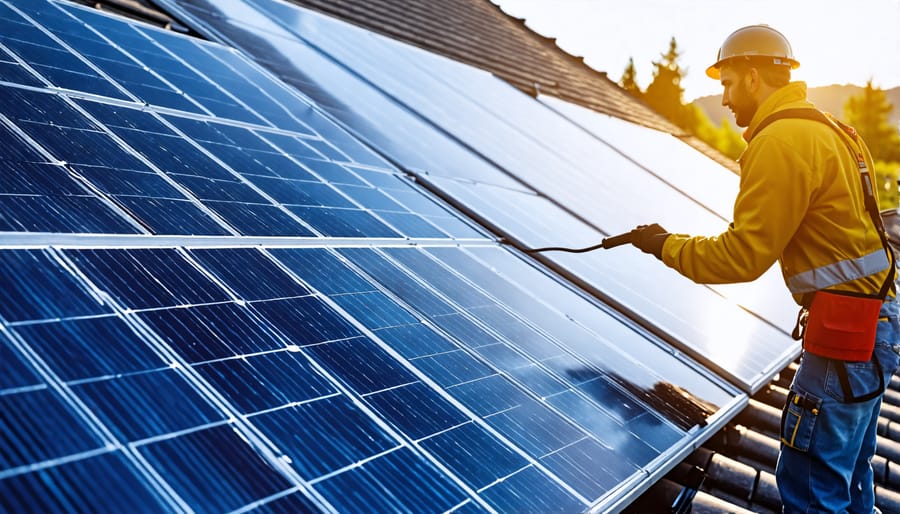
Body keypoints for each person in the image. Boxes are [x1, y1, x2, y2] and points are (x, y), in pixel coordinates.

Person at [628, 24, 900, 513]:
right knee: (852, 487)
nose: (725, 98)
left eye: (728, 83)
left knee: (815, 494)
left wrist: (664, 245)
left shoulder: (782, 140)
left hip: (845, 342)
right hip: (874, 330)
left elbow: (742, 256)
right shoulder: (829, 128)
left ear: (753, 77)